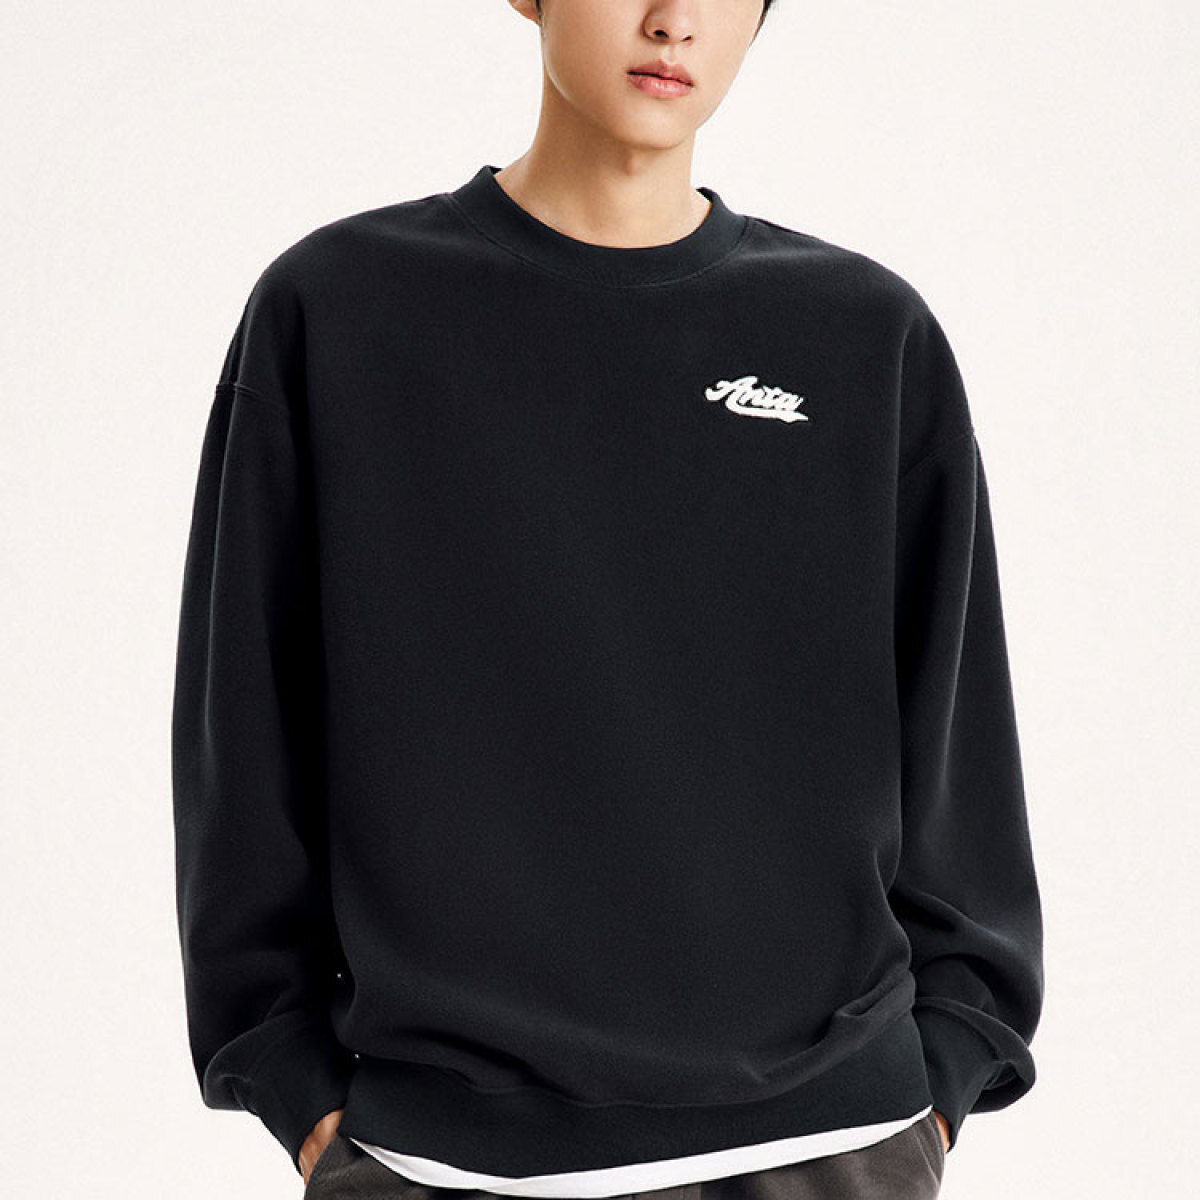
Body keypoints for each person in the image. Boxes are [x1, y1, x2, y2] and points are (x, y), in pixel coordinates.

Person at [171, 1, 1044, 1197]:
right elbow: (242, 732)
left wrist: (944, 1071)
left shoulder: (862, 337)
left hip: (826, 1148)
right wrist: (291, 1078)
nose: (673, 20)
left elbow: (958, 744)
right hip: (440, 1157)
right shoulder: (341, 310)